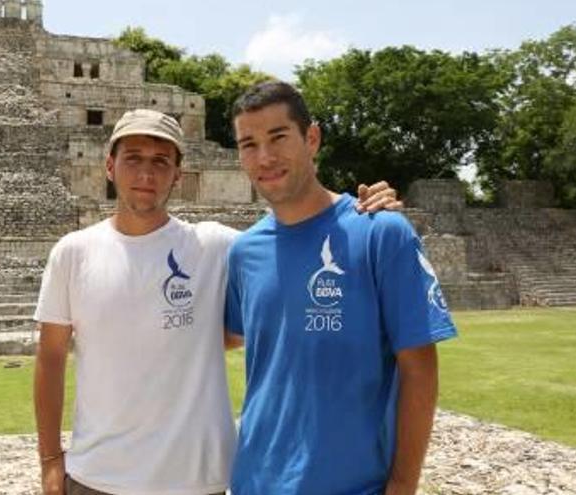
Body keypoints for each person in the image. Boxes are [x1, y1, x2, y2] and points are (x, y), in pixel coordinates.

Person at [33, 108, 400, 495]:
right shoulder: (73, 253)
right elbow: (51, 356)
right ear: (109, 166)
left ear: (178, 173)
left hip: (197, 478)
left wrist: (362, 214)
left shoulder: (216, 246)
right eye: (133, 158)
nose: (146, 174)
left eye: (161, 161)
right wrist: (50, 460)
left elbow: (299, 237)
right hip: (97, 476)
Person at [224, 81, 458, 495]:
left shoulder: (380, 232)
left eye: (278, 137)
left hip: (352, 484)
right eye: (248, 144)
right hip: (254, 481)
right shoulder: (244, 251)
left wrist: (403, 484)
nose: (265, 157)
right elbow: (232, 340)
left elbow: (420, 368)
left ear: (311, 138)